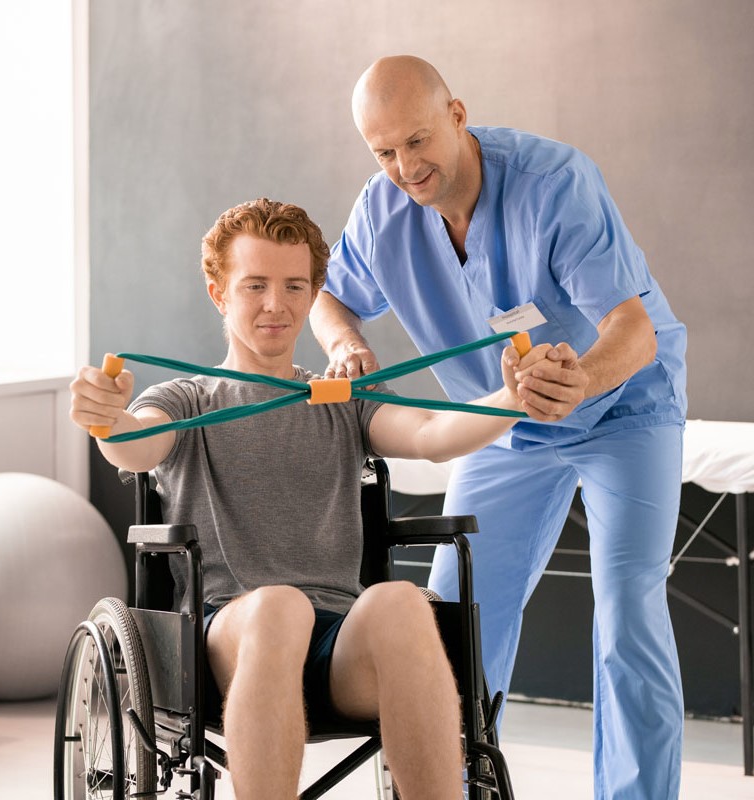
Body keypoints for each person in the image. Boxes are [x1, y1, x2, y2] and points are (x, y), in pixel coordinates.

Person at [69, 197, 551, 800]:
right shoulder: (188, 400)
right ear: (219, 293)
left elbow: (432, 435)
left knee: (403, 600)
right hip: (226, 641)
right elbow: (135, 445)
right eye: (255, 286)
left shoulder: (342, 399)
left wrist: (512, 399)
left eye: (296, 286)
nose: (277, 304)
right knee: (279, 608)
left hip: (335, 646)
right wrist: (107, 420)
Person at [309, 56, 688, 800]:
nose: (405, 167)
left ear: (457, 114)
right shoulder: (383, 211)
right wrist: (343, 342)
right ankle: (452, 790)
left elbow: (632, 329)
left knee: (627, 609)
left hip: (624, 407)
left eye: (417, 141)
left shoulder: (555, 184)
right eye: (383, 152)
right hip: (506, 424)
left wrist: (581, 378)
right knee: (452, 619)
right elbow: (329, 298)